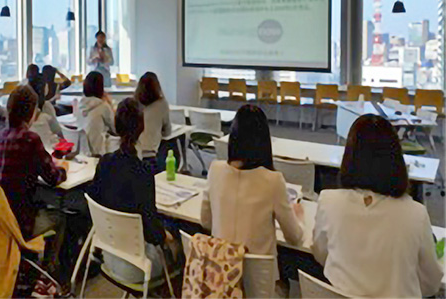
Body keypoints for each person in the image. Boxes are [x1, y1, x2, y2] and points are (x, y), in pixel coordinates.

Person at [312, 114, 443, 298]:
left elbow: (321, 254)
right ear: (396, 159)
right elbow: (431, 283)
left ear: (349, 157)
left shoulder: (328, 201)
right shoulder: (416, 214)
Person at [201, 105, 303, 275]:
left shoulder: (215, 170)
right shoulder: (273, 180)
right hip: (258, 286)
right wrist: (299, 217)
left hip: (221, 280)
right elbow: (294, 238)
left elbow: (206, 222)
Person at [0, 86, 74, 287]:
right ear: (31, 113)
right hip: (21, 221)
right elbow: (53, 178)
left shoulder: (0, 137)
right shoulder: (30, 139)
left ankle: (29, 264)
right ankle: (49, 272)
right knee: (61, 217)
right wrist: (63, 168)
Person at [89, 98, 178, 283]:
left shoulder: (104, 162)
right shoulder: (143, 173)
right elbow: (153, 233)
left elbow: (93, 201)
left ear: (116, 125)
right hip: (140, 266)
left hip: (108, 256)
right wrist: (168, 236)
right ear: (142, 127)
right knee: (182, 248)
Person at [134, 72, 171, 172]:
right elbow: (167, 132)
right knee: (171, 144)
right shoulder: (162, 104)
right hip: (151, 154)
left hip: (134, 152)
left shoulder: (134, 103)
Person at [77, 71, 115, 155]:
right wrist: (110, 104)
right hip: (99, 151)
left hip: (82, 151)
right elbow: (115, 129)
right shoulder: (103, 106)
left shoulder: (80, 105)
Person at [28, 74, 64, 149]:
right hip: (49, 148)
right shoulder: (46, 106)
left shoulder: (26, 107)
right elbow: (57, 130)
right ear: (44, 89)